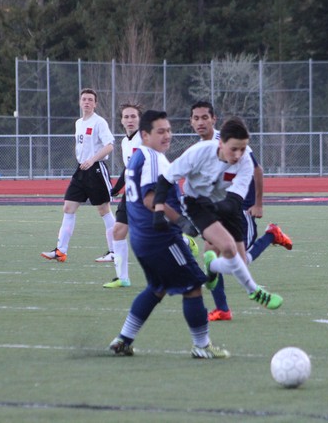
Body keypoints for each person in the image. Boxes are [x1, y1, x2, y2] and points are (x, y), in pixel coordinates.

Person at [108, 110, 229, 359]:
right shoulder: (152, 157)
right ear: (145, 135)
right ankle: (202, 345)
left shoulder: (138, 156)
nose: (167, 135)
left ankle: (124, 339)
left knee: (157, 288)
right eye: (160, 131)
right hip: (160, 238)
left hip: (141, 238)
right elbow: (152, 199)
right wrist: (183, 222)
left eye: (169, 130)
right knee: (193, 286)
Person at [153, 116, 283, 311]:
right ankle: (254, 291)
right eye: (234, 149)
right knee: (228, 247)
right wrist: (158, 211)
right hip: (196, 203)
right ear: (221, 143)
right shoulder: (198, 152)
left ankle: (212, 266)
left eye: (243, 149)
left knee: (240, 262)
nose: (238, 154)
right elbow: (165, 180)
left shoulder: (246, 161)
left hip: (227, 204)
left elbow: (234, 201)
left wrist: (215, 207)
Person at [189, 102, 292, 321]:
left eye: (205, 117)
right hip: (218, 208)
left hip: (241, 206)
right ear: (191, 121)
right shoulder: (200, 148)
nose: (200, 122)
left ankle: (271, 235)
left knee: (240, 261)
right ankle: (222, 309)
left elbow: (256, 170)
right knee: (210, 253)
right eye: (196, 118)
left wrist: (258, 204)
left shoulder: (231, 139)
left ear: (213, 119)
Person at [41, 88, 116, 263]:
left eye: (90, 100)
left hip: (96, 170)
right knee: (68, 208)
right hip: (81, 170)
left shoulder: (99, 122)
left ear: (95, 104)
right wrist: (83, 161)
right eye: (84, 99)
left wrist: (92, 160)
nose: (87, 102)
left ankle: (114, 251)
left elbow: (109, 146)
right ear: (80, 102)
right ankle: (61, 251)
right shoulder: (78, 123)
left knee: (104, 210)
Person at [103, 103, 143, 288]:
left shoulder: (145, 138)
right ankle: (123, 278)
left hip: (146, 192)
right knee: (118, 231)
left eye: (133, 116)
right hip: (131, 192)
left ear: (140, 119)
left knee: (151, 234)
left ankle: (184, 241)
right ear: (121, 120)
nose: (130, 120)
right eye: (126, 116)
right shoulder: (124, 142)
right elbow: (128, 168)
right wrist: (116, 188)